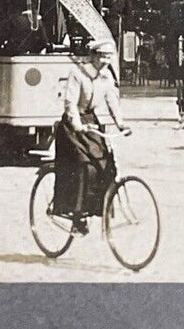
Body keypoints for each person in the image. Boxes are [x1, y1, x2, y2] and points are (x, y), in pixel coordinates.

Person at [52, 49, 131, 234]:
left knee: (105, 164)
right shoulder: (78, 73)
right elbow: (70, 103)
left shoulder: (105, 77)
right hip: (73, 126)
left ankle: (97, 208)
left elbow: (112, 101)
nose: (105, 61)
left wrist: (121, 124)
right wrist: (77, 125)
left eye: (108, 57)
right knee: (85, 166)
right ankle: (77, 216)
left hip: (91, 122)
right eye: (102, 56)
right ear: (93, 56)